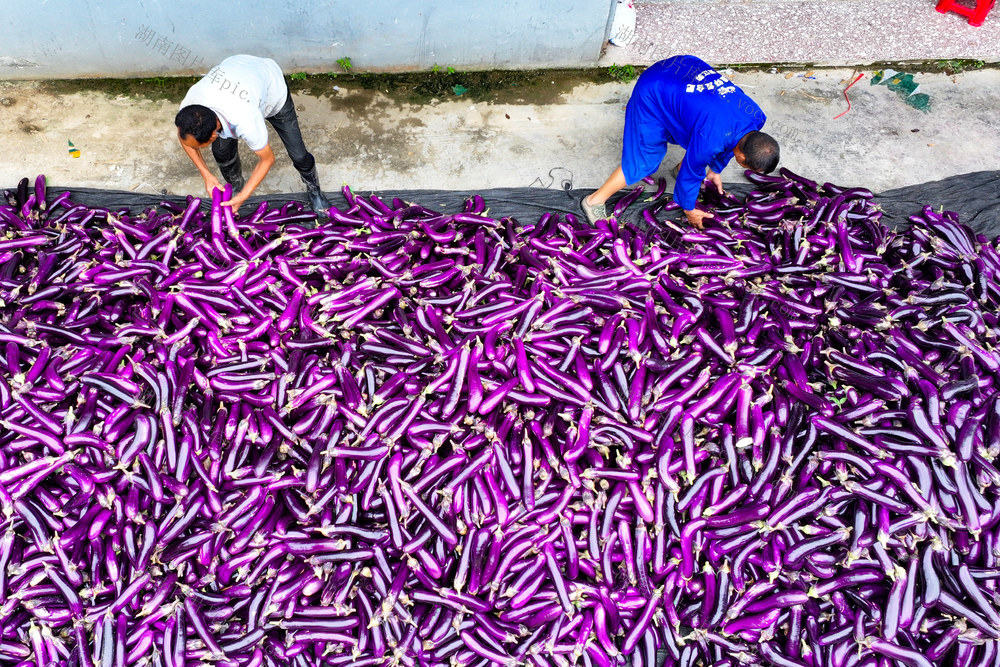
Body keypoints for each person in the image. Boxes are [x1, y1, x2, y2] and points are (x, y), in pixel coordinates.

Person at [582, 55, 779, 229]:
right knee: (645, 160)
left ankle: (677, 167)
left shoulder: (756, 116)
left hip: (683, 67)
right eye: (748, 166)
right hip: (654, 89)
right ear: (742, 156)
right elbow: (692, 173)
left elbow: (732, 141)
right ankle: (594, 201)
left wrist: (715, 170)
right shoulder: (713, 139)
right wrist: (689, 209)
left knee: (697, 137)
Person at [175, 54, 331, 215]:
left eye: (199, 147)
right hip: (237, 71)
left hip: (271, 90)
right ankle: (235, 185)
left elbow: (267, 159)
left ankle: (315, 191)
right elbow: (184, 137)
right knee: (221, 152)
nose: (194, 147)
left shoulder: (245, 120)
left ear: (214, 135)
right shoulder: (191, 106)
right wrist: (206, 174)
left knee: (298, 155)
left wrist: (244, 196)